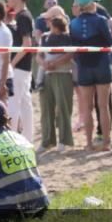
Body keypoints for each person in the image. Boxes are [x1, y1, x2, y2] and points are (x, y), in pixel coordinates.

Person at [69, 0, 112, 150]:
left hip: (83, 66)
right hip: (101, 65)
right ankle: (106, 143)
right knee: (103, 106)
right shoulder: (101, 20)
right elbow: (109, 42)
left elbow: (73, 47)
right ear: (91, 4)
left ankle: (88, 144)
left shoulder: (73, 23)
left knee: (87, 107)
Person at [38, 15, 74, 153]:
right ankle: (47, 141)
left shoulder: (67, 38)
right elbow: (38, 55)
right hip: (47, 74)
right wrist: (44, 64)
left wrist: (55, 63)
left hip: (63, 73)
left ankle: (63, 140)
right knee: (46, 108)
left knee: (63, 107)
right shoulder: (45, 37)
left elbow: (69, 54)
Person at [6, 0, 35, 144]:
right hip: (22, 67)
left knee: (15, 103)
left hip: (19, 67)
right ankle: (27, 139)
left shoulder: (23, 16)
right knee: (24, 103)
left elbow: (27, 44)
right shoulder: (21, 16)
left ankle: (14, 140)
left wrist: (11, 64)